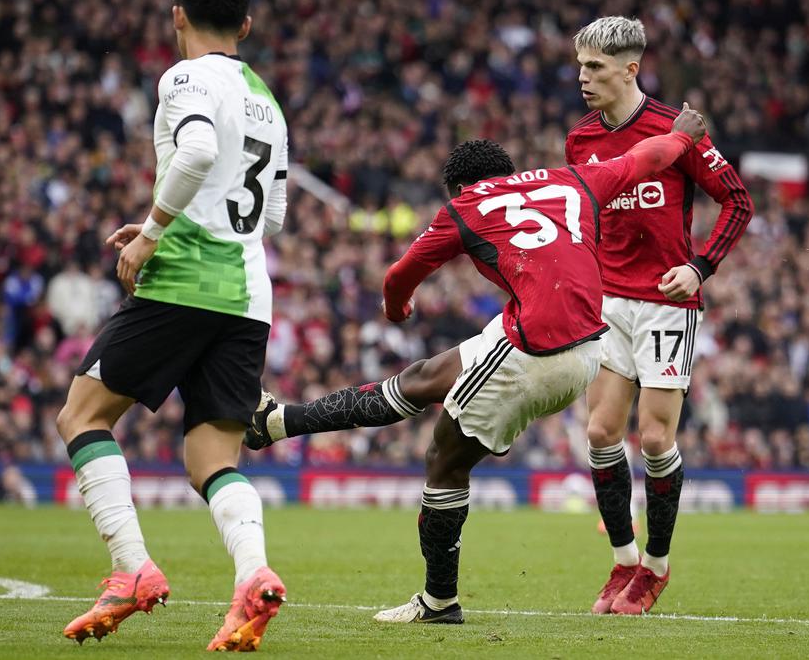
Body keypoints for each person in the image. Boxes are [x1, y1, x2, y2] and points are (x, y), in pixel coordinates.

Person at [286, 108, 705, 625]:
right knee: (422, 380)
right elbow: (647, 157)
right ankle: (280, 421)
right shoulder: (571, 178)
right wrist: (683, 135)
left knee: (443, 457)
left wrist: (397, 309)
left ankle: (439, 602)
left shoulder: (465, 205)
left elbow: (398, 276)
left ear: (460, 186)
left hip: (538, 349)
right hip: (583, 341)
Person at [56, 0, 289, 651]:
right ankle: (252, 575)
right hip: (248, 295)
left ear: (176, 15)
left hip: (184, 280)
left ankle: (130, 569)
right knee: (212, 460)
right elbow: (269, 215)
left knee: (82, 414)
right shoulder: (266, 100)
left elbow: (193, 152)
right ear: (246, 24)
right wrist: (176, 217)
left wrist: (155, 231)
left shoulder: (185, 77)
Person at [568, 16, 752, 615]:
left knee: (653, 437)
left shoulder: (676, 130)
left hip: (667, 302)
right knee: (599, 433)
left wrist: (699, 268)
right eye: (580, 66)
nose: (583, 78)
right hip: (608, 300)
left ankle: (656, 567)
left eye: (594, 68)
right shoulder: (581, 139)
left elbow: (739, 202)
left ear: (630, 68)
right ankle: (623, 563)